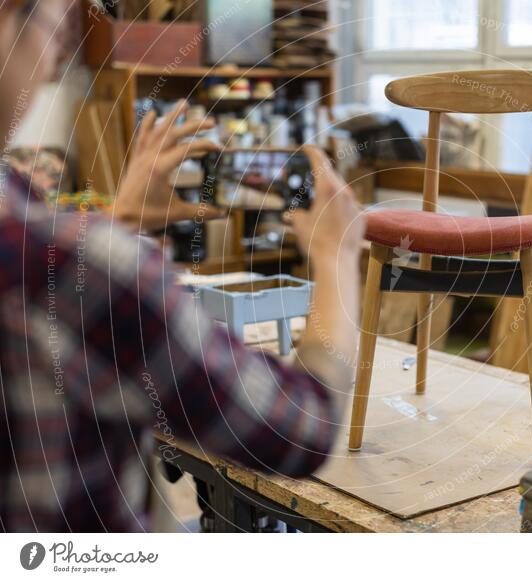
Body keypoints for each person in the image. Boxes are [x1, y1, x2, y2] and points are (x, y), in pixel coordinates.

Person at [0, 0, 364, 531]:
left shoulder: (51, 238)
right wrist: (338, 258)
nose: (59, 53)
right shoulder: (75, 259)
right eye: (59, 25)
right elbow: (299, 429)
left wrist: (121, 220)